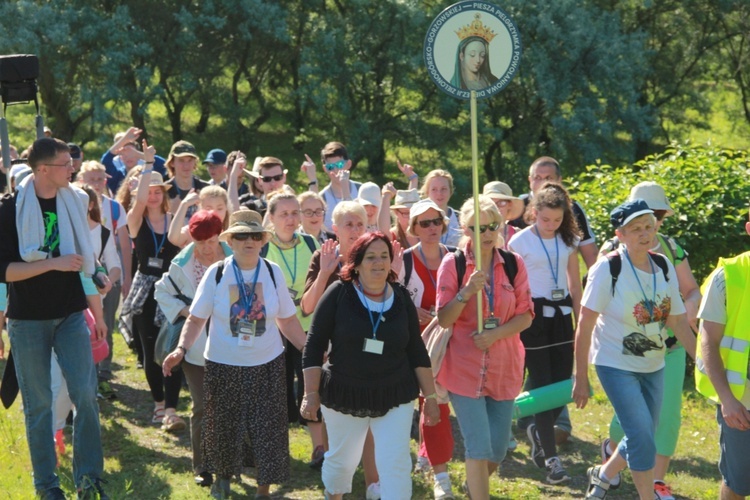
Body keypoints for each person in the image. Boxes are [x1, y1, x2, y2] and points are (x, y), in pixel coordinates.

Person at [162, 209, 307, 500]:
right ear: (232, 240)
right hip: (223, 363)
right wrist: (181, 349)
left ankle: (263, 490)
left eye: (255, 235)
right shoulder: (217, 273)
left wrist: (310, 352)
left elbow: (287, 320)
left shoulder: (271, 271)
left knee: (268, 427)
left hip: (267, 363)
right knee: (223, 426)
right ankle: (221, 479)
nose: (249, 241)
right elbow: (196, 319)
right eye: (241, 236)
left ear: (263, 240)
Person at [0, 137, 109, 499]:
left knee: (86, 395)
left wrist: (97, 307)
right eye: (65, 164)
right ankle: (47, 486)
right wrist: (53, 263)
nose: (73, 168)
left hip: (70, 316)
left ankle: (90, 480)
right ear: (43, 169)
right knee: (40, 405)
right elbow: (5, 272)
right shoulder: (9, 209)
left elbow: (83, 262)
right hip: (27, 321)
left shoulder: (75, 201)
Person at [301, 232, 440, 500]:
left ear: (392, 261)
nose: (378, 263)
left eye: (384, 256)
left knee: (395, 462)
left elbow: (416, 350)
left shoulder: (400, 296)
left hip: (395, 393)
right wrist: (310, 394)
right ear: (357, 263)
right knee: (342, 462)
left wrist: (431, 397)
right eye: (371, 257)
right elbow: (314, 344)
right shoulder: (338, 293)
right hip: (345, 391)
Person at [573, 199, 696, 500]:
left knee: (641, 435)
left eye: (648, 227)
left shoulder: (664, 266)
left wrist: (704, 363)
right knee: (643, 438)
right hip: (615, 363)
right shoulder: (608, 268)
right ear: (621, 234)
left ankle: (602, 476)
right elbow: (585, 322)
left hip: (655, 364)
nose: (644, 234)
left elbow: (678, 322)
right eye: (635, 229)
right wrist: (580, 376)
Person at [436, 195, 533, 500]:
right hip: (464, 369)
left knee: (498, 449)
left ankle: (473, 483)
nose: (488, 233)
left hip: (505, 368)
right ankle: (480, 494)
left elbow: (527, 315)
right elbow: (443, 317)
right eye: (479, 227)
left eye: (493, 226)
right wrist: (466, 292)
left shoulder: (514, 264)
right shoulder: (454, 263)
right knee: (478, 446)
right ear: (465, 229)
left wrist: (496, 334)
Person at [300, 201, 383, 498]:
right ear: (334, 229)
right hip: (332, 357)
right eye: (348, 224)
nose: (355, 230)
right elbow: (307, 307)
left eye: (360, 224)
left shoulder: (375, 259)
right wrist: (325, 272)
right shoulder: (322, 257)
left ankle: (373, 483)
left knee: (372, 418)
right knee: (339, 425)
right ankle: (336, 489)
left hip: (369, 354)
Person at [507, 183, 582, 484]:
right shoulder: (520, 242)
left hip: (563, 315)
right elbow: (512, 286)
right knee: (541, 384)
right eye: (545, 219)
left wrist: (581, 322)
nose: (551, 225)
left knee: (562, 384)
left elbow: (575, 284)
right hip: (534, 316)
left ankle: (539, 433)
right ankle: (552, 459)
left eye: (557, 220)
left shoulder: (569, 240)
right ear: (534, 213)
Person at [155, 210, 232, 489]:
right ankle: (202, 466)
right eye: (200, 243)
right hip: (194, 346)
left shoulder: (235, 256)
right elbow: (160, 291)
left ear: (219, 237)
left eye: (211, 242)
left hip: (232, 345)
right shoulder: (181, 264)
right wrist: (187, 311)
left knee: (228, 405)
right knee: (202, 406)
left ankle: (230, 462)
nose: (206, 249)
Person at [122, 143, 184, 432]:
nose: (154, 194)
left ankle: (171, 409)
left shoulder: (175, 220)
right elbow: (136, 204)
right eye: (149, 190)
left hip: (171, 290)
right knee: (150, 349)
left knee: (172, 347)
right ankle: (159, 403)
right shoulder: (136, 221)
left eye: (159, 190)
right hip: (145, 290)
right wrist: (147, 165)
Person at [397, 199, 456, 499]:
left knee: (437, 404)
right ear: (414, 228)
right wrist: (410, 309)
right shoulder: (404, 260)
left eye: (437, 222)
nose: (432, 228)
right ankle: (420, 457)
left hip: (447, 345)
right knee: (418, 402)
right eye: (424, 223)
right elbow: (391, 298)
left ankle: (439, 472)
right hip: (412, 345)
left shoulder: (455, 257)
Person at [262, 193, 323, 466]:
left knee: (312, 387)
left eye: (294, 213)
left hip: (309, 326)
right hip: (273, 330)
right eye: (283, 214)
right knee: (276, 389)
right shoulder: (263, 247)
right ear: (271, 217)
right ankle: (277, 451)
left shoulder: (311, 242)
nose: (290, 219)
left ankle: (319, 449)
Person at [695, 206, 750, 500]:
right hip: (742, 402)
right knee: (738, 482)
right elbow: (708, 341)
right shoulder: (727, 276)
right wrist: (727, 400)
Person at [79, 161, 132, 397]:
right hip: (72, 293)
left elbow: (114, 262)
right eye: (93, 179)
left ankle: (101, 377)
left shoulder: (103, 230)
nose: (98, 184)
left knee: (102, 331)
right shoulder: (65, 228)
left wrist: (108, 282)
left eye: (101, 179)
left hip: (99, 292)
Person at [101, 127, 167, 195]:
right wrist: (125, 139)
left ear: (139, 157)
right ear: (120, 158)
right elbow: (105, 161)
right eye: (125, 154)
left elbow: (164, 166)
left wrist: (140, 154)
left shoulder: (146, 174)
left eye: (132, 154)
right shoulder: (118, 177)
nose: (129, 157)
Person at [318, 141, 361, 231]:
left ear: (348, 164)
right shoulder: (322, 198)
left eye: (339, 165)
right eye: (330, 167)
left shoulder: (361, 190)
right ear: (325, 169)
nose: (336, 170)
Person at [164, 140, 210, 221]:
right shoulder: (164, 191)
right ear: (172, 163)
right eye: (181, 160)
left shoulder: (206, 189)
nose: (186, 165)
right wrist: (170, 212)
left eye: (190, 160)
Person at [450, 15, 498, 90]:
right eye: (472, 55)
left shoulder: (493, 82)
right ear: (462, 56)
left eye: (482, 55)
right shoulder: (455, 85)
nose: (478, 60)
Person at [420, 169, 462, 247]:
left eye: (443, 189)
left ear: (451, 191)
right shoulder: (420, 219)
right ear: (427, 192)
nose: (439, 193)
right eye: (434, 189)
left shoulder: (461, 218)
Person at [482, 181, 524, 248]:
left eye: (501, 202)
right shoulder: (475, 233)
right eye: (491, 202)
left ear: (509, 205)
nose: (496, 207)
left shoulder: (519, 235)